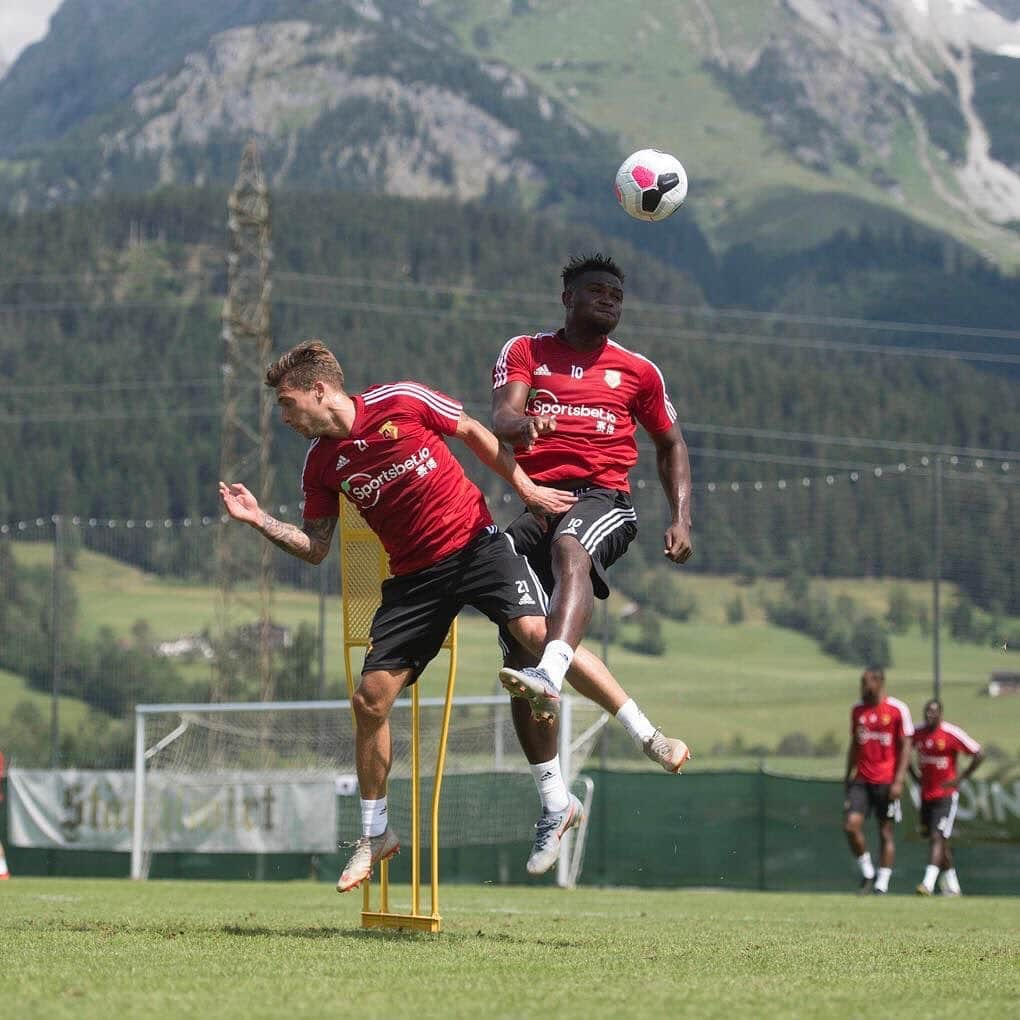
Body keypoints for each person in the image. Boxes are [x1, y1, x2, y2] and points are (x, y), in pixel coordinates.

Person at [219, 340, 684, 888]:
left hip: (477, 549)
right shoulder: (321, 464)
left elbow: (475, 435)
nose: (284, 417)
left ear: (319, 391)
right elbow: (316, 546)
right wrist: (258, 521)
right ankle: (376, 836)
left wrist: (527, 489)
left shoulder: (401, 399)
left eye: (288, 403)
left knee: (537, 634)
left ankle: (648, 736)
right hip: (414, 582)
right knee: (369, 701)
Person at [489, 252, 693, 859]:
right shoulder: (526, 349)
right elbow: (502, 410)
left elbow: (671, 443)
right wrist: (518, 426)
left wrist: (681, 515)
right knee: (514, 633)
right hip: (537, 504)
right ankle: (555, 802)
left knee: (571, 546)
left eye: (616, 295)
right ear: (568, 299)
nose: (609, 301)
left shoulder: (638, 372)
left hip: (603, 500)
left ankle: (550, 673)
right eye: (597, 291)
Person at [843, 667, 914, 894]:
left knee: (885, 832)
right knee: (850, 826)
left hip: (886, 781)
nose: (862, 687)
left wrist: (899, 780)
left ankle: (881, 884)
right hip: (861, 780)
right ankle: (867, 872)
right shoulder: (857, 709)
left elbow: (906, 747)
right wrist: (847, 774)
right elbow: (854, 744)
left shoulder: (897, 709)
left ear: (879, 682)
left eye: (866, 682)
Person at [910, 698, 983, 897]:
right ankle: (954, 887)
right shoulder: (916, 732)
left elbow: (979, 753)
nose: (929, 715)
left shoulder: (951, 733)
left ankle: (928, 884)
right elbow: (903, 749)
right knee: (939, 841)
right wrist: (913, 775)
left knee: (937, 837)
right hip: (926, 795)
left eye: (933, 712)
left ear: (941, 714)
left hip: (946, 796)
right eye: (927, 711)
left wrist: (961, 778)